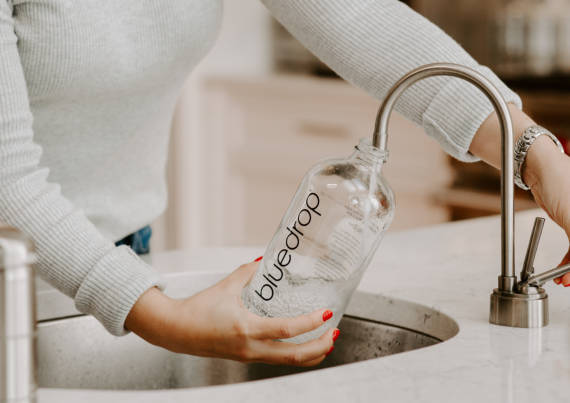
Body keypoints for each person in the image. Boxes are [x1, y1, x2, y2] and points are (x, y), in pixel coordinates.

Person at [0, 0, 568, 367]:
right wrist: (156, 314)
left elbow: (358, 19)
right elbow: (7, 176)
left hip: (130, 258)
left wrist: (540, 159)